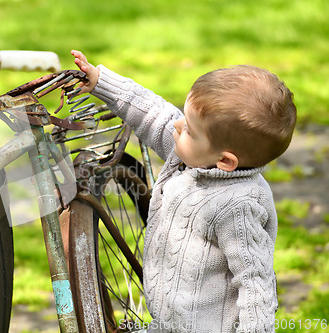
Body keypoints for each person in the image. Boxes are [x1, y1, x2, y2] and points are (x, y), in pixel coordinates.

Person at [71, 50, 297, 332]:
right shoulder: (193, 156)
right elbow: (155, 114)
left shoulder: (239, 206)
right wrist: (102, 81)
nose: (178, 125)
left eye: (189, 129)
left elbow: (256, 285)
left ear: (225, 161)